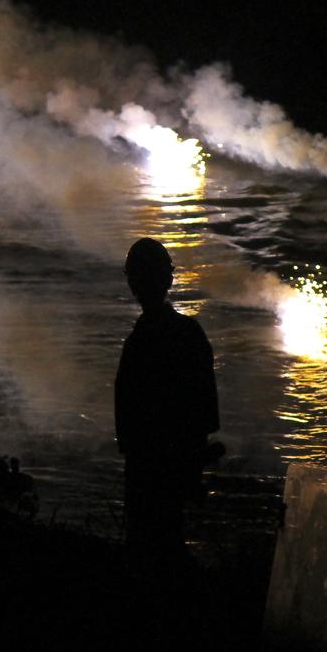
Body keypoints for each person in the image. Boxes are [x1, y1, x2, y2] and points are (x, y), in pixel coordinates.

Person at [115, 237, 219, 565]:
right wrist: (193, 464)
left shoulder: (140, 341)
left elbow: (129, 416)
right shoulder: (189, 333)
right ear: (169, 280)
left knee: (146, 544)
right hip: (174, 458)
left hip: (148, 462)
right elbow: (204, 410)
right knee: (169, 539)